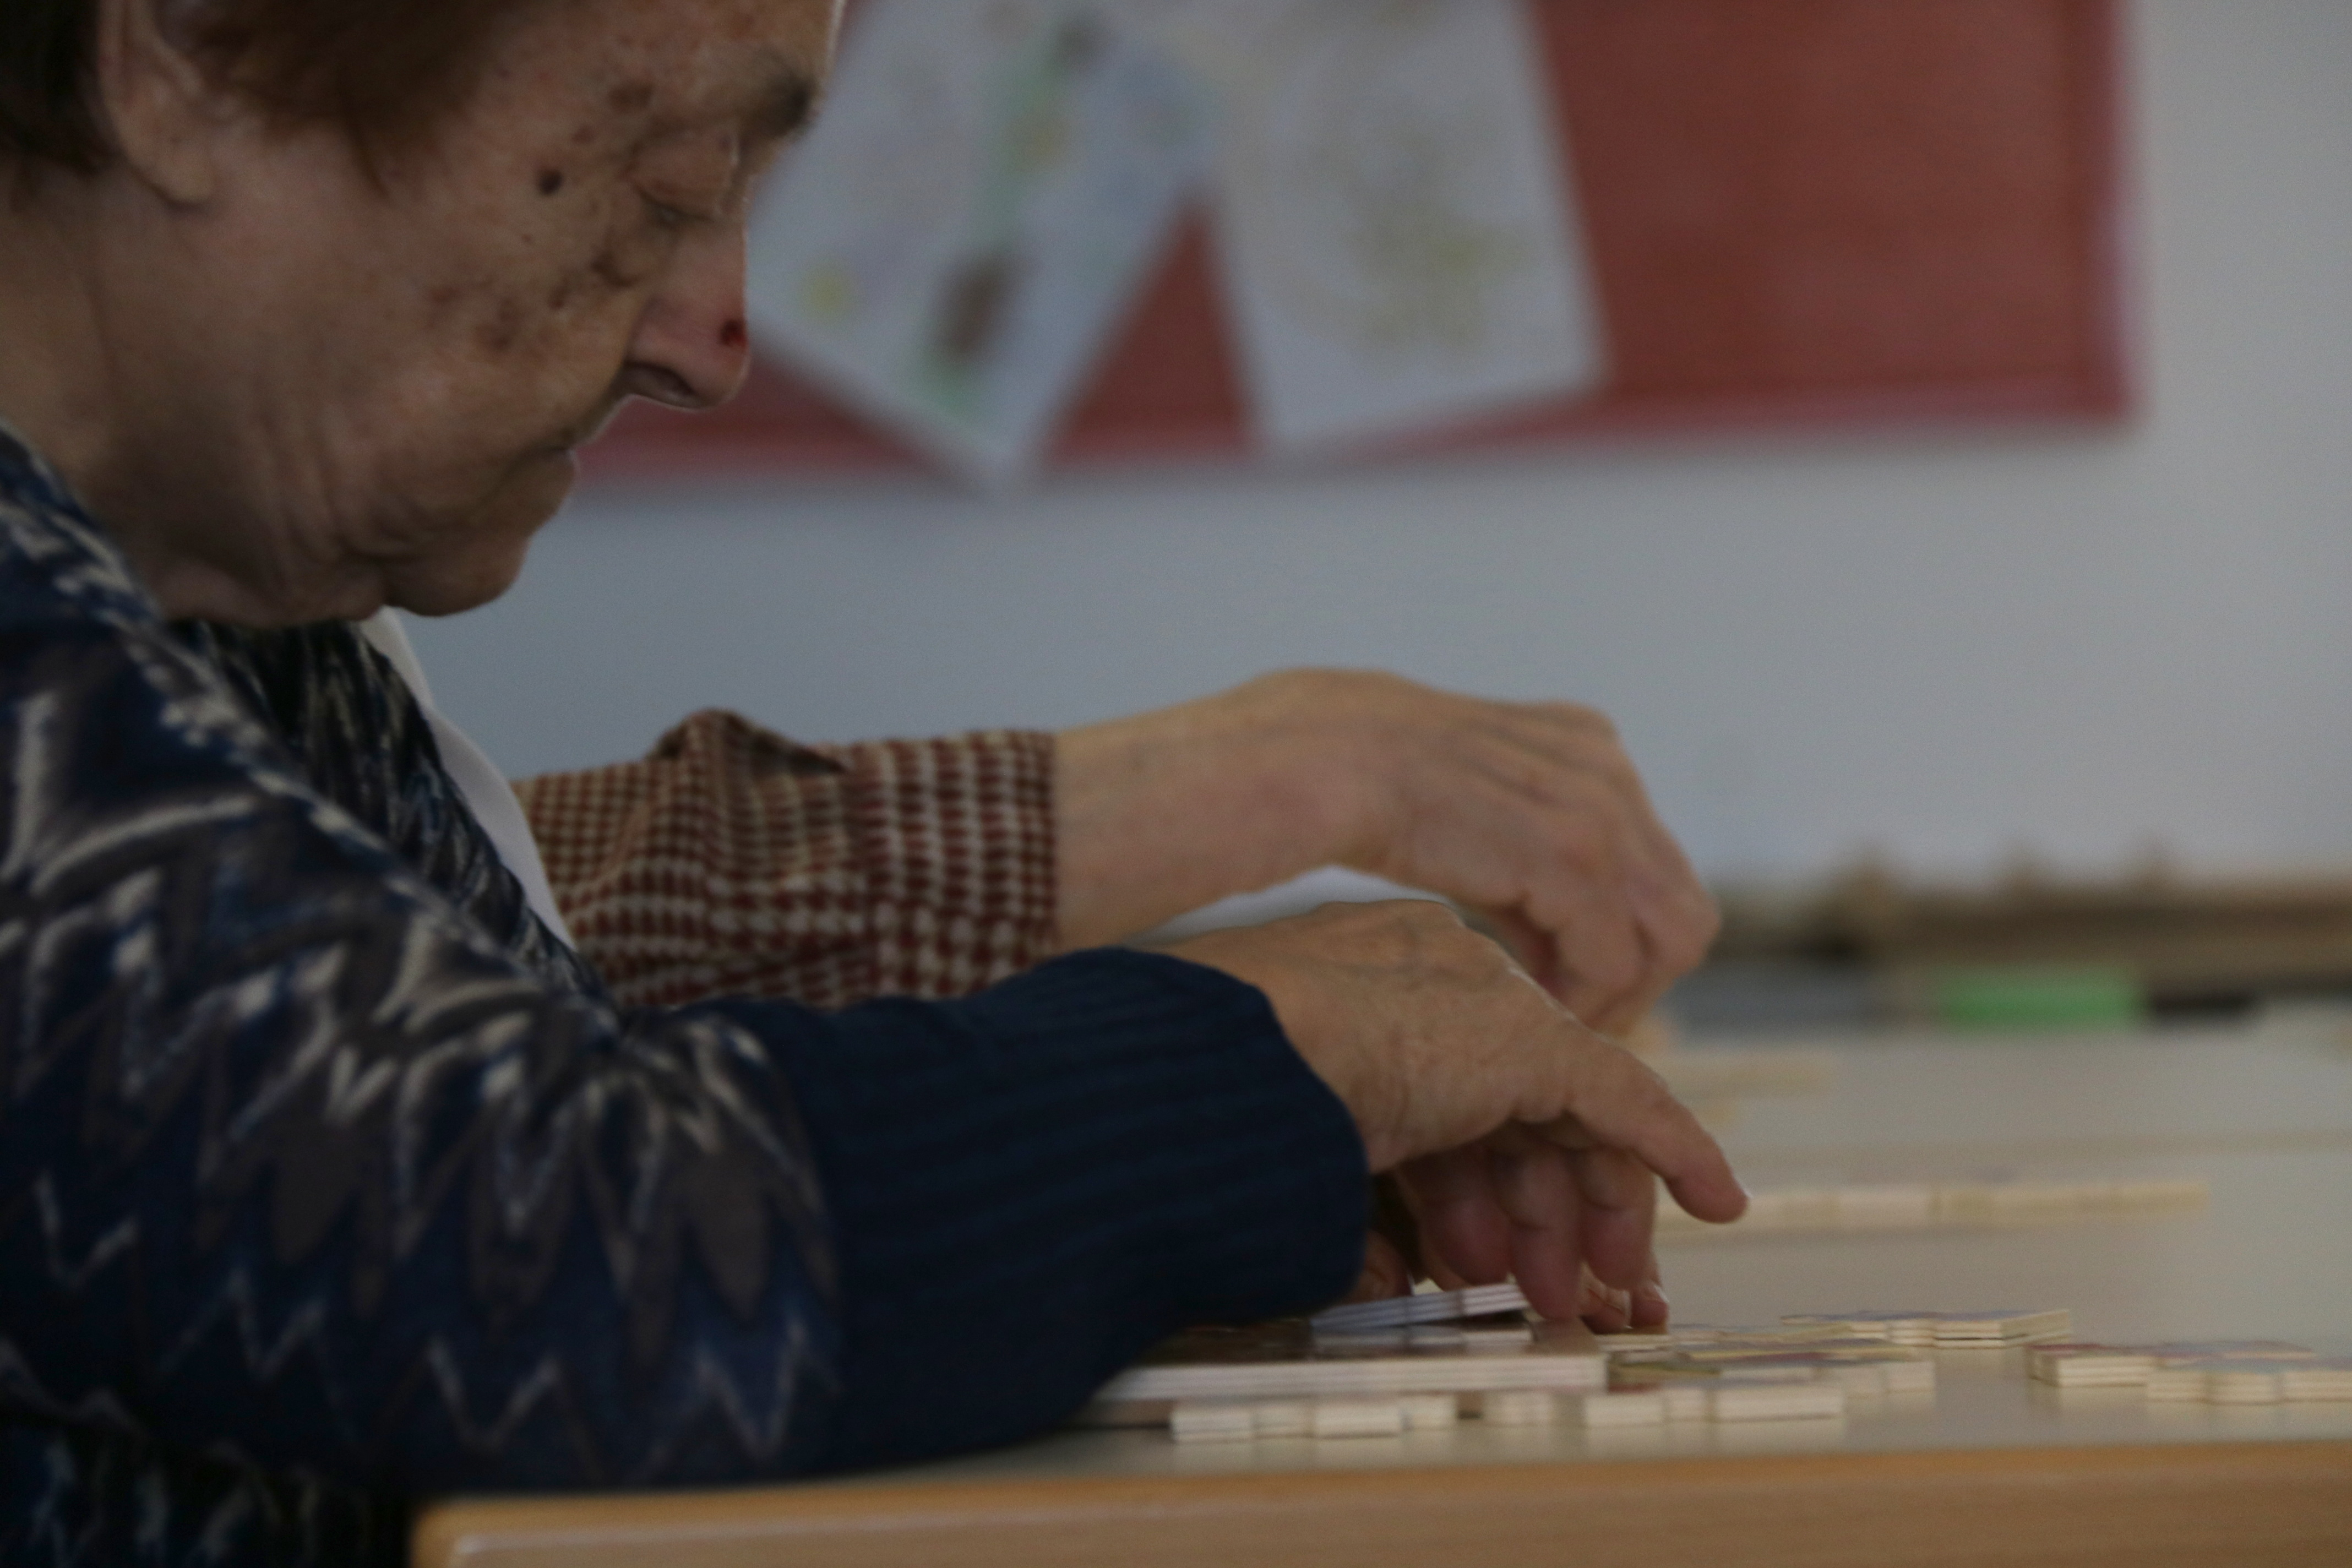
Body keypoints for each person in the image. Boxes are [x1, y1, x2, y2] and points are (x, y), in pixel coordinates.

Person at [0, 0, 1744, 1563]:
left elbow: (504, 1030)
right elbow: (556, 1242)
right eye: (668, 179)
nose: (714, 333)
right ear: (183, 57)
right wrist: (1260, 1071)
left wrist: (1145, 1216)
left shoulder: (234, 594)